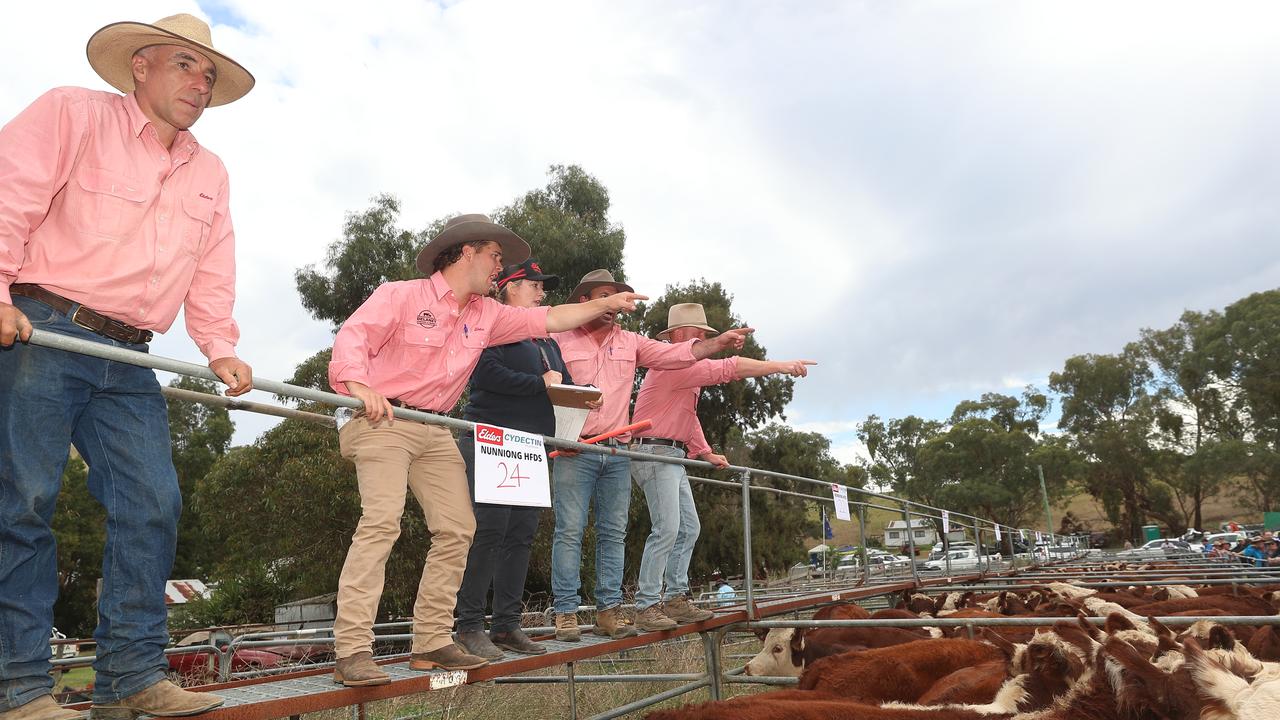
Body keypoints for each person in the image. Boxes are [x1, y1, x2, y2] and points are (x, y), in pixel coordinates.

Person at [0, 14, 255, 719]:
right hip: (41, 330)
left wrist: (219, 345)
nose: (199, 84)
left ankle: (128, 677)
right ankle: (18, 688)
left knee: (154, 504)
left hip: (128, 352)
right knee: (23, 499)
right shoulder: (72, 114)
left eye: (208, 74)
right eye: (184, 65)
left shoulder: (209, 171)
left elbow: (212, 265)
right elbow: (8, 196)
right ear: (140, 65)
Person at [326, 219, 646, 686]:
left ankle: (432, 642)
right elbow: (353, 338)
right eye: (496, 256)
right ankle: (352, 650)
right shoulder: (400, 295)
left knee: (458, 529)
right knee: (382, 522)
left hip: (436, 426)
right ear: (466, 253)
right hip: (383, 418)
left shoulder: (488, 315)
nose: (501, 266)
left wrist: (607, 301)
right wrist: (357, 386)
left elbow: (550, 319)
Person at [549, 270, 751, 642]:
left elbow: (678, 354)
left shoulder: (631, 342)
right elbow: (539, 377)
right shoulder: (558, 337)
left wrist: (718, 342)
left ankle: (609, 611)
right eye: (604, 296)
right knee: (570, 531)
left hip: (618, 450)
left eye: (617, 297)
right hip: (575, 448)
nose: (613, 304)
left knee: (613, 533)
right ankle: (565, 613)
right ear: (584, 301)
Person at [629, 303, 816, 631]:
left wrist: (704, 451)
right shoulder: (672, 364)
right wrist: (781, 366)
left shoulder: (683, 373)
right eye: (698, 333)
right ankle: (646, 604)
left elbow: (687, 416)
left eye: (706, 334)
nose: (704, 337)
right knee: (668, 529)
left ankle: (674, 597)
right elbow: (730, 368)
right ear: (677, 337)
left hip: (670, 455)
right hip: (655, 453)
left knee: (688, 528)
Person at [452, 259, 590, 660]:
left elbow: (558, 383)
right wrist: (539, 384)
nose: (542, 292)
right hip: (491, 439)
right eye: (535, 285)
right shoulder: (490, 324)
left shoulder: (547, 340)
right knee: (488, 531)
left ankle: (507, 625)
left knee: (521, 534)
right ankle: (469, 626)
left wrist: (578, 402)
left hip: (531, 447)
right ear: (511, 286)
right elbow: (481, 374)